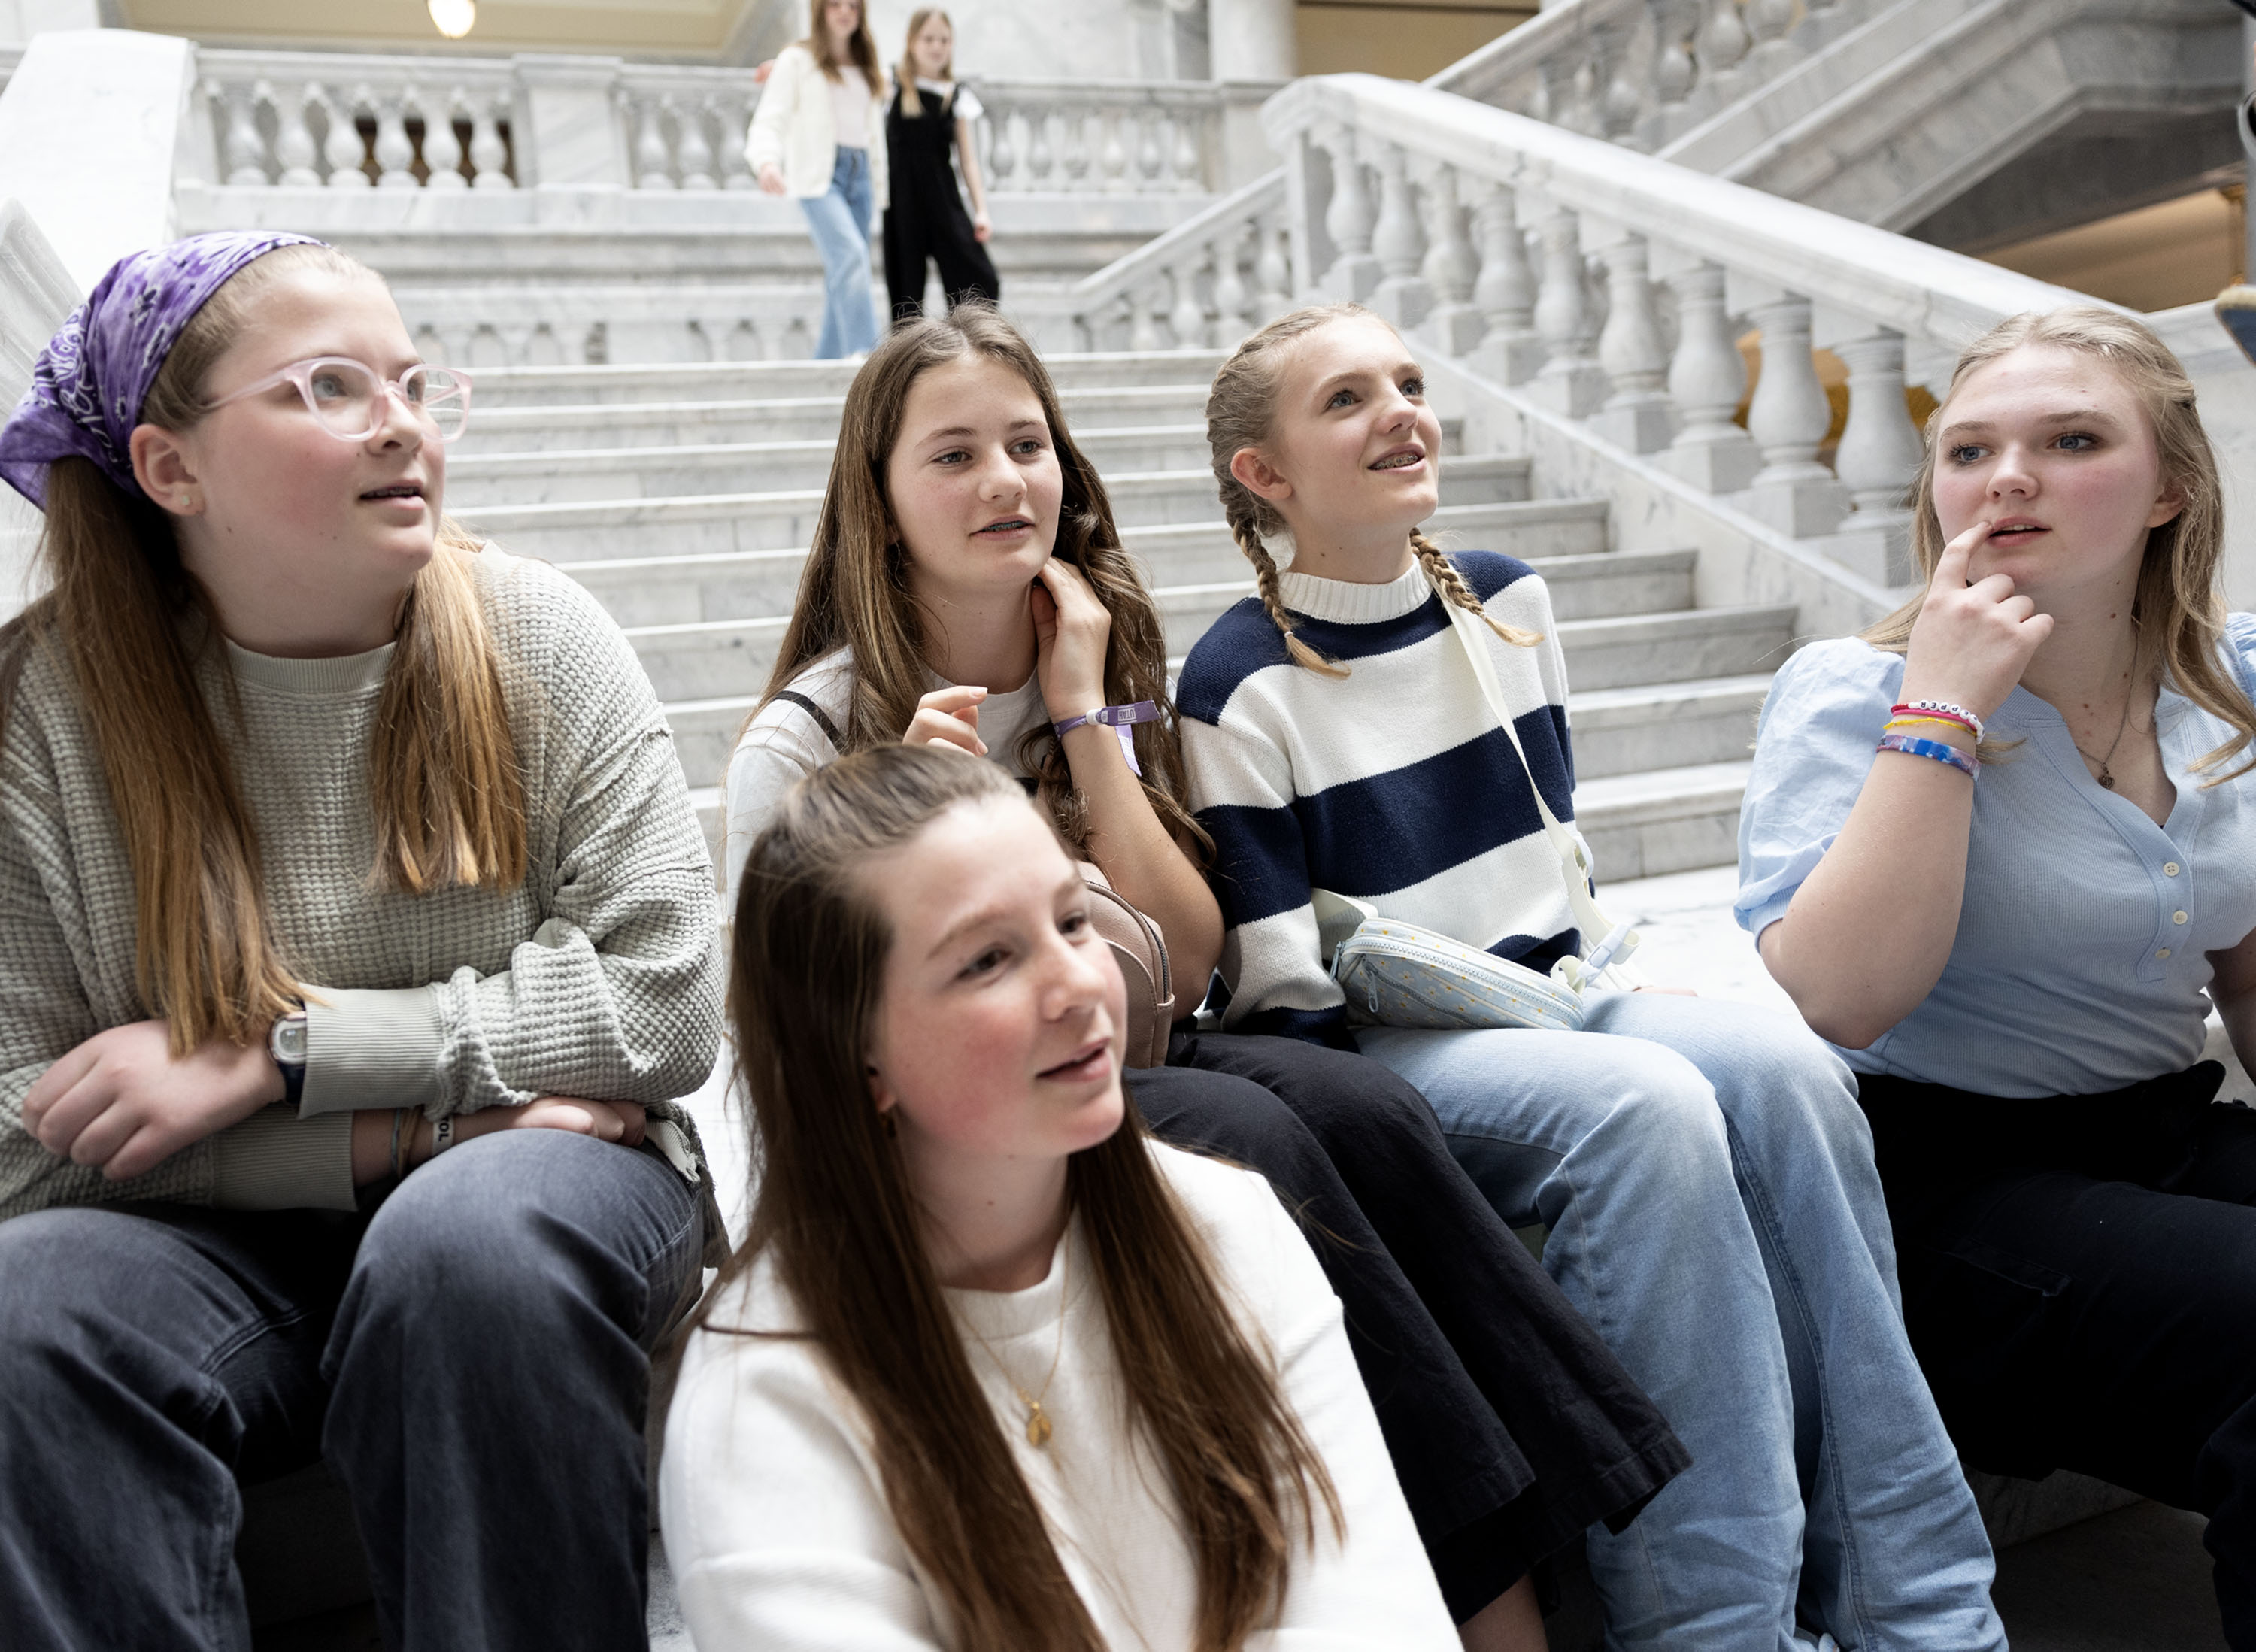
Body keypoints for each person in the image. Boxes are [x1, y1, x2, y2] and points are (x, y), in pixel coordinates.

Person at [723, 305, 1687, 1649]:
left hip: (1147, 1038)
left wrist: (1082, 715)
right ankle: (1499, 1616)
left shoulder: (1104, 653)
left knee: (1370, 1111)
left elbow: (1186, 964)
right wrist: (919, 805)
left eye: (1028, 443)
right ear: (878, 505)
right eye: (954, 457)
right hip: (970, 1112)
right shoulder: (814, 732)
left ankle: (1532, 1571)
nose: (1008, 481)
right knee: (1260, 1131)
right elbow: (790, 1043)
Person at [1180, 301, 2006, 1652]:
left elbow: (1559, 875)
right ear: (1262, 476)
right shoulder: (1237, 681)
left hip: (1564, 985)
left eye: (1405, 380)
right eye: (1345, 400)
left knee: (1791, 1067)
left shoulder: (1507, 601)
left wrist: (1616, 997)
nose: (1400, 409)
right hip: (1397, 1042)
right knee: (1648, 1108)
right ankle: (1714, 1623)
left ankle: (1922, 1599)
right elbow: (1287, 993)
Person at [0, 232, 725, 1651]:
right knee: (22, 1314)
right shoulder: (42, 708)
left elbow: (664, 997)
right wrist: (409, 1137)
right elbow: (19, 1132)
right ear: (168, 468)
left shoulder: (538, 634)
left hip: (544, 1194)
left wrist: (284, 1052)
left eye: (410, 381)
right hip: (206, 1242)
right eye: (328, 386)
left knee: (474, 1242)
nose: (400, 422)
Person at [666, 745, 1460, 1650]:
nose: (1083, 985)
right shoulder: (762, 1397)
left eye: (1074, 921)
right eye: (989, 959)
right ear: (856, 1051)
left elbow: (1373, 1616)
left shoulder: (1225, 1223)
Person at [1739, 305, 2256, 1644]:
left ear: (2172, 488)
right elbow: (1836, 1000)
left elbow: (2246, 971)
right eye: (1969, 450)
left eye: (2070, 440)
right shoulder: (1853, 691)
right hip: (1948, 1185)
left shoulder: (2232, 686)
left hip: (2164, 1130)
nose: (2007, 474)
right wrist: (1944, 711)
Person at [749, 0, 888, 359]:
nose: (845, 12)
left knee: (842, 274)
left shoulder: (869, 65)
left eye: (853, 6)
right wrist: (767, 162)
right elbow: (771, 117)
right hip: (821, 178)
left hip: (861, 179)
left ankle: (824, 363)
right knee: (852, 257)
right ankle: (864, 355)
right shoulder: (797, 61)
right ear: (820, 11)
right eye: (835, 5)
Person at [881, 8, 999, 325]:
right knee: (905, 294)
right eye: (929, 39)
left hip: (943, 200)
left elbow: (968, 159)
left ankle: (970, 345)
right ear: (911, 42)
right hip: (903, 202)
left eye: (944, 40)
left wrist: (981, 210)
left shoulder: (955, 95)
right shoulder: (892, 85)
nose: (937, 47)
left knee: (979, 280)